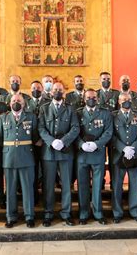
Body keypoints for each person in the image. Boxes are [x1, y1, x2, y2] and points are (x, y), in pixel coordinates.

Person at [38, 82, 80, 227]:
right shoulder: (44, 109)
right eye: (55, 89)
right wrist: (51, 141)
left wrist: (63, 141)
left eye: (60, 90)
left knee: (66, 184)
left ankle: (66, 213)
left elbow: (75, 128)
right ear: (51, 92)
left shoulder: (70, 109)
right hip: (49, 151)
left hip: (66, 151)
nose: (57, 91)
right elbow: (41, 128)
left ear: (64, 91)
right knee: (48, 184)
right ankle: (48, 213)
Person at [0, 94, 38, 228]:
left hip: (26, 156)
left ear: (24, 104)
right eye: (13, 100)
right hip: (9, 157)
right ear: (9, 103)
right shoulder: (3, 118)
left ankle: (29, 216)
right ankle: (11, 216)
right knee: (11, 189)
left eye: (19, 100)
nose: (16, 102)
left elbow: (35, 135)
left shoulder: (31, 117)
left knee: (27, 189)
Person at [76, 89, 113, 225]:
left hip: (98, 153)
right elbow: (74, 130)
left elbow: (108, 132)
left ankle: (98, 213)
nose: (91, 99)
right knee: (83, 185)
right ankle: (83, 213)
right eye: (88, 97)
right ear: (84, 99)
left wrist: (97, 144)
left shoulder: (105, 113)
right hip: (82, 154)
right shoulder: (78, 113)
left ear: (97, 99)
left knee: (98, 186)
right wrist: (81, 144)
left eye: (94, 97)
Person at [110, 93, 137, 224]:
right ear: (119, 101)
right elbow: (111, 134)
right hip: (118, 155)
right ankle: (117, 213)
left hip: (135, 155)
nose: (126, 102)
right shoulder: (113, 116)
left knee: (135, 185)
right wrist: (123, 148)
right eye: (124, 100)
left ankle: (136, 212)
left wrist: (133, 148)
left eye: (128, 100)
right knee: (117, 185)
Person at [25, 80, 51, 204]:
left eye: (38, 88)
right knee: (33, 171)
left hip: (46, 142)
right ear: (30, 90)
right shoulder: (26, 103)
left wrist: (43, 139)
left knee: (47, 171)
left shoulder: (48, 103)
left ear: (42, 89)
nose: (36, 90)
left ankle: (47, 197)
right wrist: (35, 139)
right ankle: (34, 197)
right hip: (32, 143)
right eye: (34, 88)